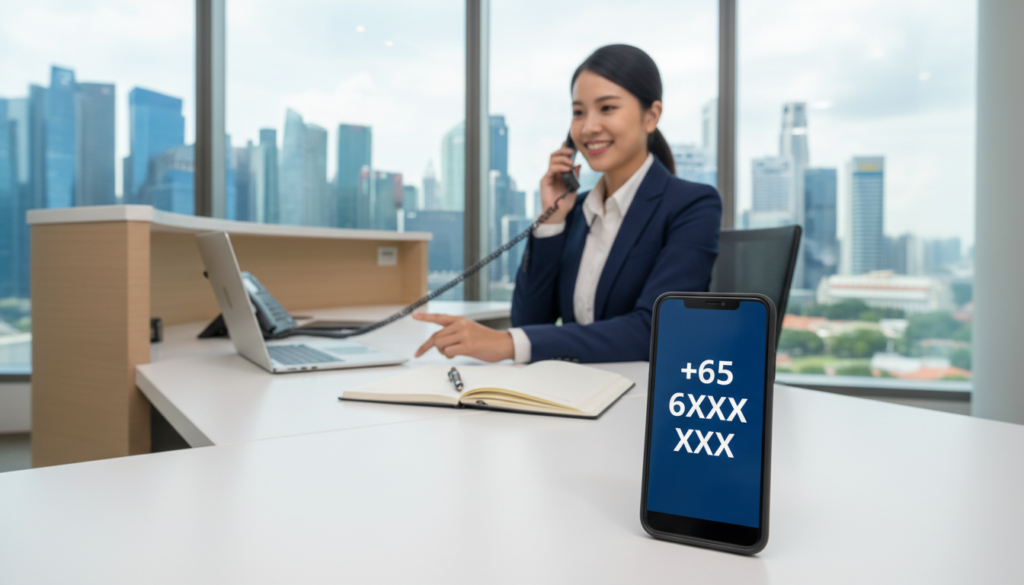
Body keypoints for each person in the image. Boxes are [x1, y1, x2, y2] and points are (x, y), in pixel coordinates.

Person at [414, 44, 721, 363]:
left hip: (643, 388)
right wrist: (552, 222)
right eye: (578, 112)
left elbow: (654, 330)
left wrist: (508, 343)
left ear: (651, 116)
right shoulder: (574, 212)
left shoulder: (692, 205)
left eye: (607, 108)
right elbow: (529, 321)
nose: (588, 127)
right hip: (576, 384)